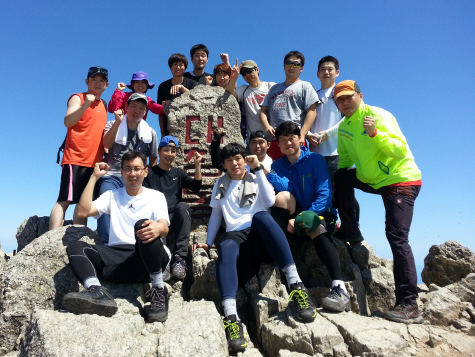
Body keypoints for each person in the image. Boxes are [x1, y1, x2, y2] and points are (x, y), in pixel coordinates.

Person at [193, 143, 316, 353]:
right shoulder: (220, 184)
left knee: (261, 216)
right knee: (226, 245)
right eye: (229, 160)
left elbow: (269, 200)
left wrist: (258, 169)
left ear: (244, 159)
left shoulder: (255, 177)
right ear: (224, 164)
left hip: (259, 234)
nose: (234, 163)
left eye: (238, 158)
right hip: (236, 236)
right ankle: (231, 317)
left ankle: (296, 285)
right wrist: (209, 242)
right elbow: (216, 216)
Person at [332, 80, 423, 324]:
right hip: (374, 180)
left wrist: (375, 133)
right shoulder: (344, 127)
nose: (345, 102)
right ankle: (350, 228)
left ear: (360, 96)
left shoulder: (379, 116)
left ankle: (409, 304)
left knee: (396, 236)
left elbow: (400, 151)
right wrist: (336, 188)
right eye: (340, 99)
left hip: (400, 181)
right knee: (340, 176)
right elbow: (345, 162)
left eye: (349, 96)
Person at [63, 152, 170, 322]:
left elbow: (164, 227)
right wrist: (94, 177)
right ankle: (96, 291)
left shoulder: (156, 196)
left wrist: (157, 227)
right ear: (121, 172)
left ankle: (158, 289)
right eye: (128, 169)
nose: (132, 173)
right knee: (76, 247)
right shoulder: (112, 195)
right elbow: (82, 211)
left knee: (142, 225)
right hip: (115, 259)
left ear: (145, 171)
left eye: (137, 169)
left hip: (147, 260)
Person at [265, 121, 351, 313]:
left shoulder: (315, 159)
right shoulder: (278, 165)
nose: (288, 143)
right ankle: (283, 263)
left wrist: (303, 216)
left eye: (291, 138)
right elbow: (286, 188)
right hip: (295, 216)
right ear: (278, 144)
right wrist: (267, 173)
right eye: (283, 140)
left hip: (321, 213)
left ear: (300, 139)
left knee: (312, 223)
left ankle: (339, 288)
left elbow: (324, 194)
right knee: (281, 198)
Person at [49, 66, 109, 230]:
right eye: (94, 80)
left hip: (94, 162)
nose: (97, 83)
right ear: (87, 81)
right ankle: (51, 239)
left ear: (106, 85)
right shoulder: (78, 98)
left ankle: (78, 238)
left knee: (83, 203)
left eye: (101, 81)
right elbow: (68, 121)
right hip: (75, 158)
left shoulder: (103, 104)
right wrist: (85, 105)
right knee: (64, 200)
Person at [97, 93, 158, 243]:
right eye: (134, 106)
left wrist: (147, 179)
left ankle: (135, 242)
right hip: (113, 175)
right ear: (126, 107)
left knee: (138, 208)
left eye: (141, 108)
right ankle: (106, 243)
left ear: (145, 112)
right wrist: (118, 123)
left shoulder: (150, 132)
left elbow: (153, 158)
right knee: (105, 200)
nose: (137, 110)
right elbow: (106, 144)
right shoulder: (113, 124)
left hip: (136, 177)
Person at [143, 135, 203, 280]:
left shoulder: (178, 173)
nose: (169, 154)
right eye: (166, 150)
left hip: (174, 217)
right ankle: (162, 261)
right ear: (159, 151)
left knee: (183, 207)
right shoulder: (149, 173)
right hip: (157, 217)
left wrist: (197, 165)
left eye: (173, 151)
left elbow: (196, 186)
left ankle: (179, 259)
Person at [260, 51, 319, 160]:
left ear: (301, 68)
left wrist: (302, 134)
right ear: (284, 66)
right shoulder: (273, 89)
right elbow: (263, 110)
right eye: (289, 63)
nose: (292, 67)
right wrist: (267, 126)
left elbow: (312, 111)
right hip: (274, 139)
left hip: (294, 138)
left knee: (297, 168)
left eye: (296, 64)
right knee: (274, 169)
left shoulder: (305, 86)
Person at [307, 56, 343, 182]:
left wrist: (328, 133)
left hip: (336, 153)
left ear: (337, 72)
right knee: (317, 190)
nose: (326, 72)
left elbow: (349, 119)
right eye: (323, 69)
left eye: (330, 69)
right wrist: (307, 134)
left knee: (339, 191)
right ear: (318, 74)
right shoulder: (312, 96)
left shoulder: (342, 94)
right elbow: (304, 120)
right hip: (314, 154)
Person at [224, 60, 275, 145]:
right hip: (253, 141)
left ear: (257, 70)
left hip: (273, 138)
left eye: (249, 71)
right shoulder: (243, 89)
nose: (247, 75)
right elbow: (229, 95)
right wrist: (234, 78)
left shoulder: (270, 86)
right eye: (243, 73)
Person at [157, 53, 198, 136]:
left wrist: (182, 88)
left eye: (181, 65)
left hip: (190, 128)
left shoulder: (192, 83)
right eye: (175, 64)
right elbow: (160, 111)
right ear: (170, 67)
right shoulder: (163, 86)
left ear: (185, 67)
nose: (178, 67)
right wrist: (162, 131)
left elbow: (197, 99)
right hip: (170, 129)